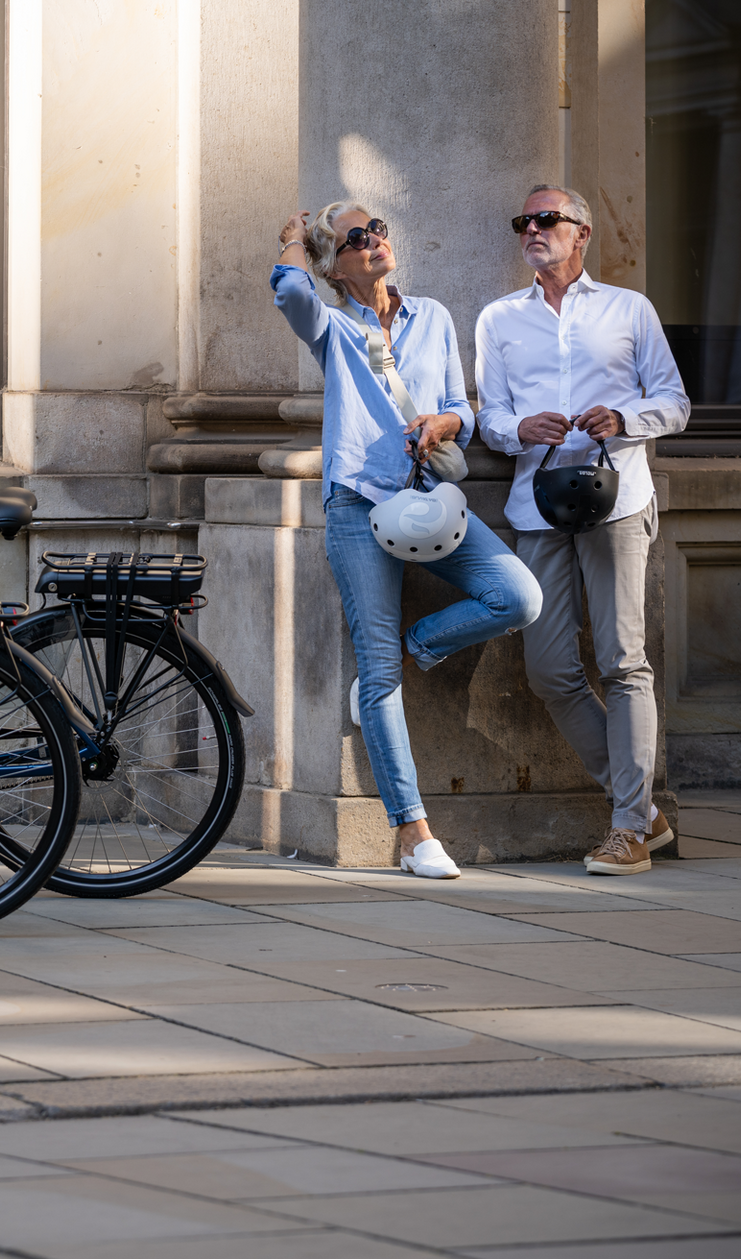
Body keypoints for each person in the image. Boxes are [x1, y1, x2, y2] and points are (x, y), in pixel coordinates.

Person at [273, 203, 543, 879]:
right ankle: (413, 831)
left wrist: (447, 420)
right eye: (356, 240)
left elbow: (466, 408)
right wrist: (292, 244)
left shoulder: (435, 318)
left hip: (428, 505)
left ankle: (408, 648)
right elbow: (289, 293)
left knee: (518, 594)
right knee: (380, 682)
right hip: (359, 508)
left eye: (379, 231)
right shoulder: (332, 326)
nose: (375, 244)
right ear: (336, 265)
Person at [474, 184, 690, 876]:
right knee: (549, 669)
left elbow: (674, 402)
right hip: (538, 506)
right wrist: (518, 430)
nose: (533, 230)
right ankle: (645, 811)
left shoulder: (630, 310)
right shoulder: (499, 319)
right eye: (525, 222)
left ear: (582, 233)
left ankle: (628, 825)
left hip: (618, 499)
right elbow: (490, 417)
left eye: (548, 220)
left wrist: (624, 421)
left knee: (625, 660)